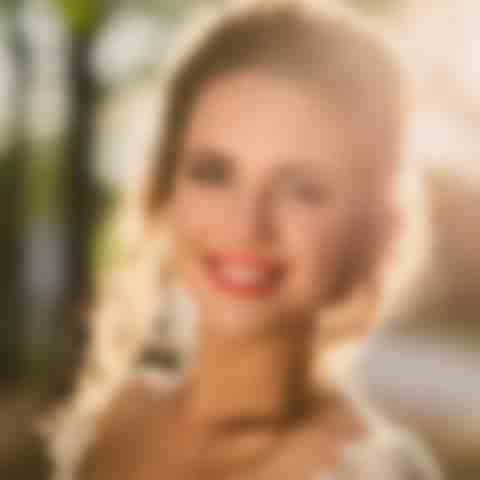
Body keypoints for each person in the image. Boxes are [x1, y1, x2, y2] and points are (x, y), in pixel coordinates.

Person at [44, 1, 444, 479]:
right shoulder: (112, 421)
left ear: (371, 227)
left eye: (302, 189)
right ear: (165, 190)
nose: (246, 225)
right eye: (214, 173)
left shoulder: (378, 472)